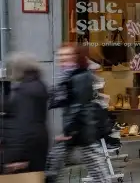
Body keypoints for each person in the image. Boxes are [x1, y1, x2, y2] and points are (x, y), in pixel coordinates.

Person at [45, 44, 113, 183]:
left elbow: (79, 105)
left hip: (81, 130)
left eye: (68, 55)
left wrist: (68, 132)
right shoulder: (68, 75)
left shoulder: (81, 76)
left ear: (76, 57)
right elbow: (67, 99)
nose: (63, 58)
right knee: (53, 168)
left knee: (98, 173)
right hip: (78, 130)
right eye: (61, 55)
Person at [4, 52, 50, 174]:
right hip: (38, 144)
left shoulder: (24, 92)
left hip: (25, 150)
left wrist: (16, 157)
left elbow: (23, 125)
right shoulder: (39, 86)